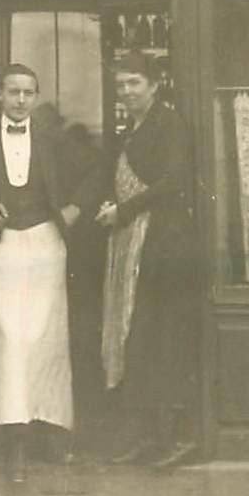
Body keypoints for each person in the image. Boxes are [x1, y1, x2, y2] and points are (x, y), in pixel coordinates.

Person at [92, 52, 199, 468]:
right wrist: (113, 205)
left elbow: (174, 181)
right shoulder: (133, 128)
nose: (126, 92)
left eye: (134, 83)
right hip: (137, 240)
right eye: (120, 85)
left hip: (164, 245)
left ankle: (175, 438)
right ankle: (150, 437)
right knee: (141, 337)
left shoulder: (169, 124)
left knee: (163, 338)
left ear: (155, 85)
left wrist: (124, 210)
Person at [0, 63, 80, 484]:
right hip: (0, 246)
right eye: (13, 92)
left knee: (49, 338)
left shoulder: (53, 138)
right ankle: (15, 442)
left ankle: (52, 431)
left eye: (29, 93)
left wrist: (74, 209)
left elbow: (96, 172)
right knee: (12, 339)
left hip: (45, 243)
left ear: (36, 98)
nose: (21, 100)